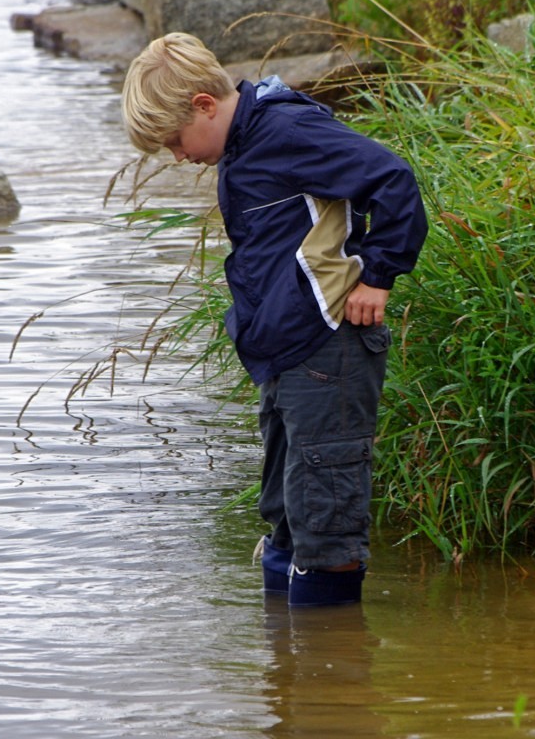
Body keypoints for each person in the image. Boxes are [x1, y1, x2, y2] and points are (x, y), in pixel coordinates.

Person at [121, 33, 428, 606]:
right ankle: (283, 675)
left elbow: (393, 180)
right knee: (285, 513)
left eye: (175, 142)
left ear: (204, 106)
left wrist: (377, 276)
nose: (179, 156)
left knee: (325, 518)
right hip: (285, 358)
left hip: (328, 348)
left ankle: (328, 678)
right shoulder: (242, 146)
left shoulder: (286, 132)